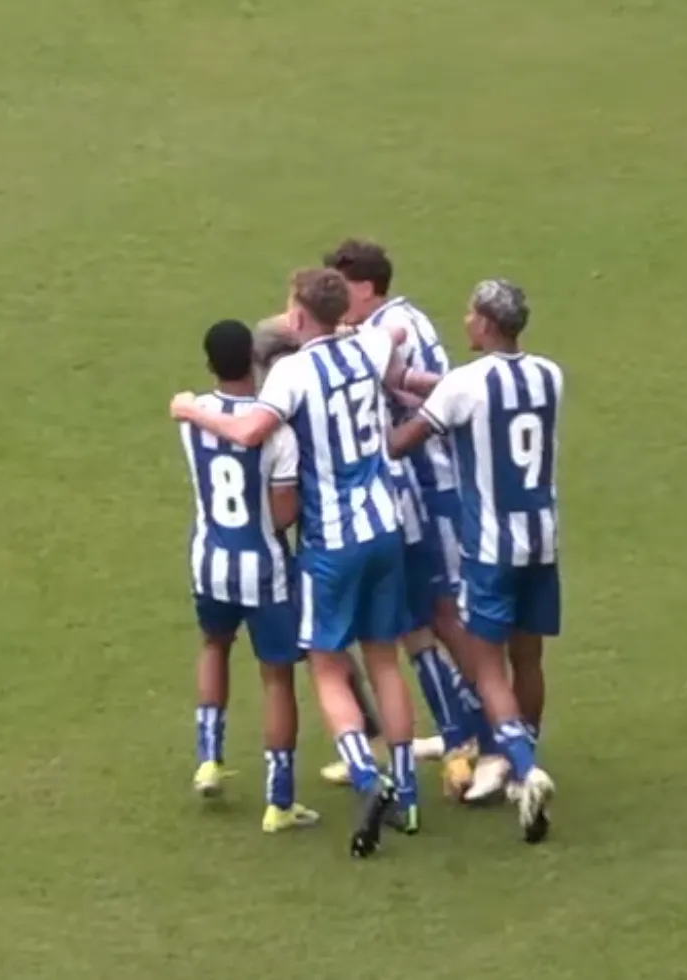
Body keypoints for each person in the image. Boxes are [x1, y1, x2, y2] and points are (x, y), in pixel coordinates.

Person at [172, 270, 439, 857]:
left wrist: (193, 412)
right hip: (385, 527)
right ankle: (410, 798)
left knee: (325, 668)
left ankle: (368, 780)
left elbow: (247, 430)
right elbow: (391, 335)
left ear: (299, 316)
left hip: (333, 541)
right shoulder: (368, 344)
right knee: (386, 662)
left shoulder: (292, 373)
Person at [322, 239, 499, 801]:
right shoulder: (384, 325)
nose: (337, 301)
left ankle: (491, 734)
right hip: (408, 488)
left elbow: (438, 391)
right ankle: (462, 731)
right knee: (413, 619)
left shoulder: (393, 326)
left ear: (367, 287)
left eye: (341, 288)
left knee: (443, 615)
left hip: (429, 481)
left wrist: (393, 379)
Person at [389, 279, 559, 843]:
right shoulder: (549, 375)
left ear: (485, 323)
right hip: (543, 539)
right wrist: (410, 382)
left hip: (490, 545)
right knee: (529, 658)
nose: (465, 320)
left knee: (487, 664)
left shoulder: (465, 384)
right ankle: (520, 756)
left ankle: (523, 767)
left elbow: (405, 440)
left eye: (470, 313)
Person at [179, 320, 318, 834]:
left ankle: (208, 758)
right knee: (277, 677)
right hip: (264, 569)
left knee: (214, 647)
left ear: (209, 363)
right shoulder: (275, 431)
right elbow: (282, 515)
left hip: (209, 562)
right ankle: (278, 800)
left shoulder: (192, 415)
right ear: (257, 364)